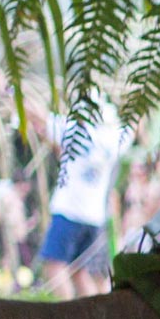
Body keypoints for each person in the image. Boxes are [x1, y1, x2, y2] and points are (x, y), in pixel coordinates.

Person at [37, 106, 129, 298]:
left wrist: (11, 90)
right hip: (94, 217)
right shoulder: (116, 138)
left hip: (69, 211)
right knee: (80, 272)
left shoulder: (77, 131)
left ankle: (65, 314)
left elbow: (39, 117)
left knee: (55, 265)